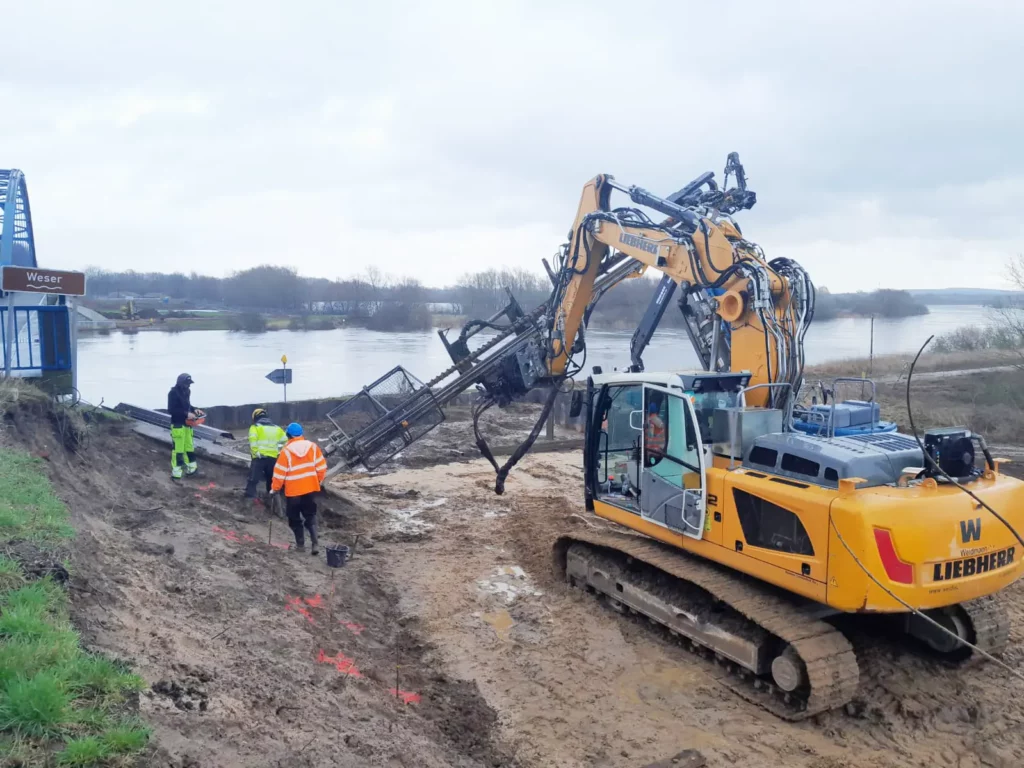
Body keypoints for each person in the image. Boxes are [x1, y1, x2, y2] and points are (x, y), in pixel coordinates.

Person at [270, 422, 327, 555]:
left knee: (294, 518)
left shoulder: (286, 451)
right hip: (310, 488)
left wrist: (275, 489)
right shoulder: (313, 447)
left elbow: (279, 473)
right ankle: (315, 544)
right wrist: (316, 480)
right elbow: (321, 467)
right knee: (310, 515)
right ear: (301, 434)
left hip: (293, 491)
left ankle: (300, 545)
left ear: (288, 435)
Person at [245, 408, 287, 499]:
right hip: (273, 458)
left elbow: (253, 443)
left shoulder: (255, 427)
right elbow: (285, 440)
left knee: (253, 479)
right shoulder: (277, 428)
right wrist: (277, 447)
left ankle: (249, 499)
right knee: (271, 479)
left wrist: (256, 453)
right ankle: (271, 498)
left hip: (259, 458)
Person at [167, 373, 203, 480]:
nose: (189, 386)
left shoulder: (187, 392)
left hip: (187, 425)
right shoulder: (173, 393)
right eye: (187, 383)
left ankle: (192, 469)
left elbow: (187, 405)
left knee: (189, 447)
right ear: (181, 383)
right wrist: (186, 414)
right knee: (178, 450)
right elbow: (171, 410)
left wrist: (194, 409)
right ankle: (176, 474)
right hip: (178, 425)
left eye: (189, 384)